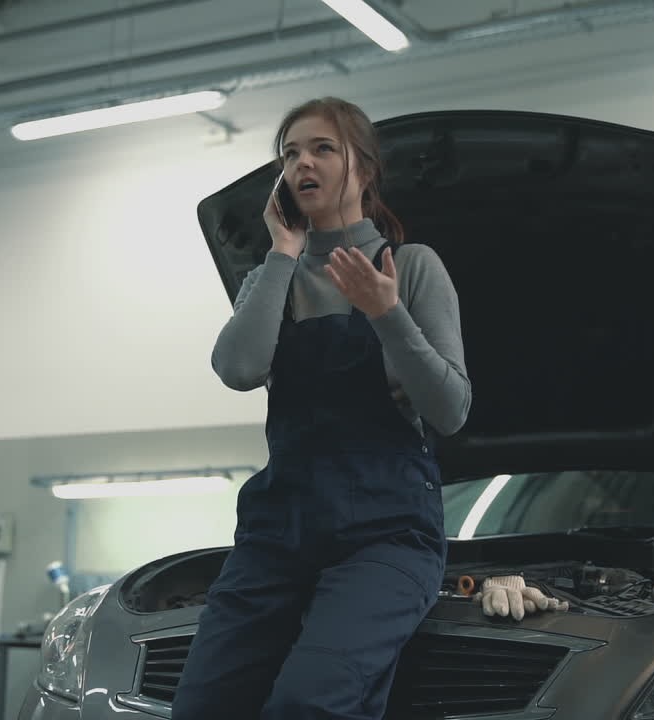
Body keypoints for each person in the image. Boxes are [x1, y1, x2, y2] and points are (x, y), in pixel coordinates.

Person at [170, 96, 469, 720]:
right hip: (280, 529)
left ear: (362, 168)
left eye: (322, 149)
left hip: (386, 532)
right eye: (290, 152)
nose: (302, 162)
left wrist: (387, 314)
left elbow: (450, 409)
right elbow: (239, 369)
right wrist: (282, 251)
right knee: (202, 705)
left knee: (310, 702)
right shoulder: (269, 278)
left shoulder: (411, 268)